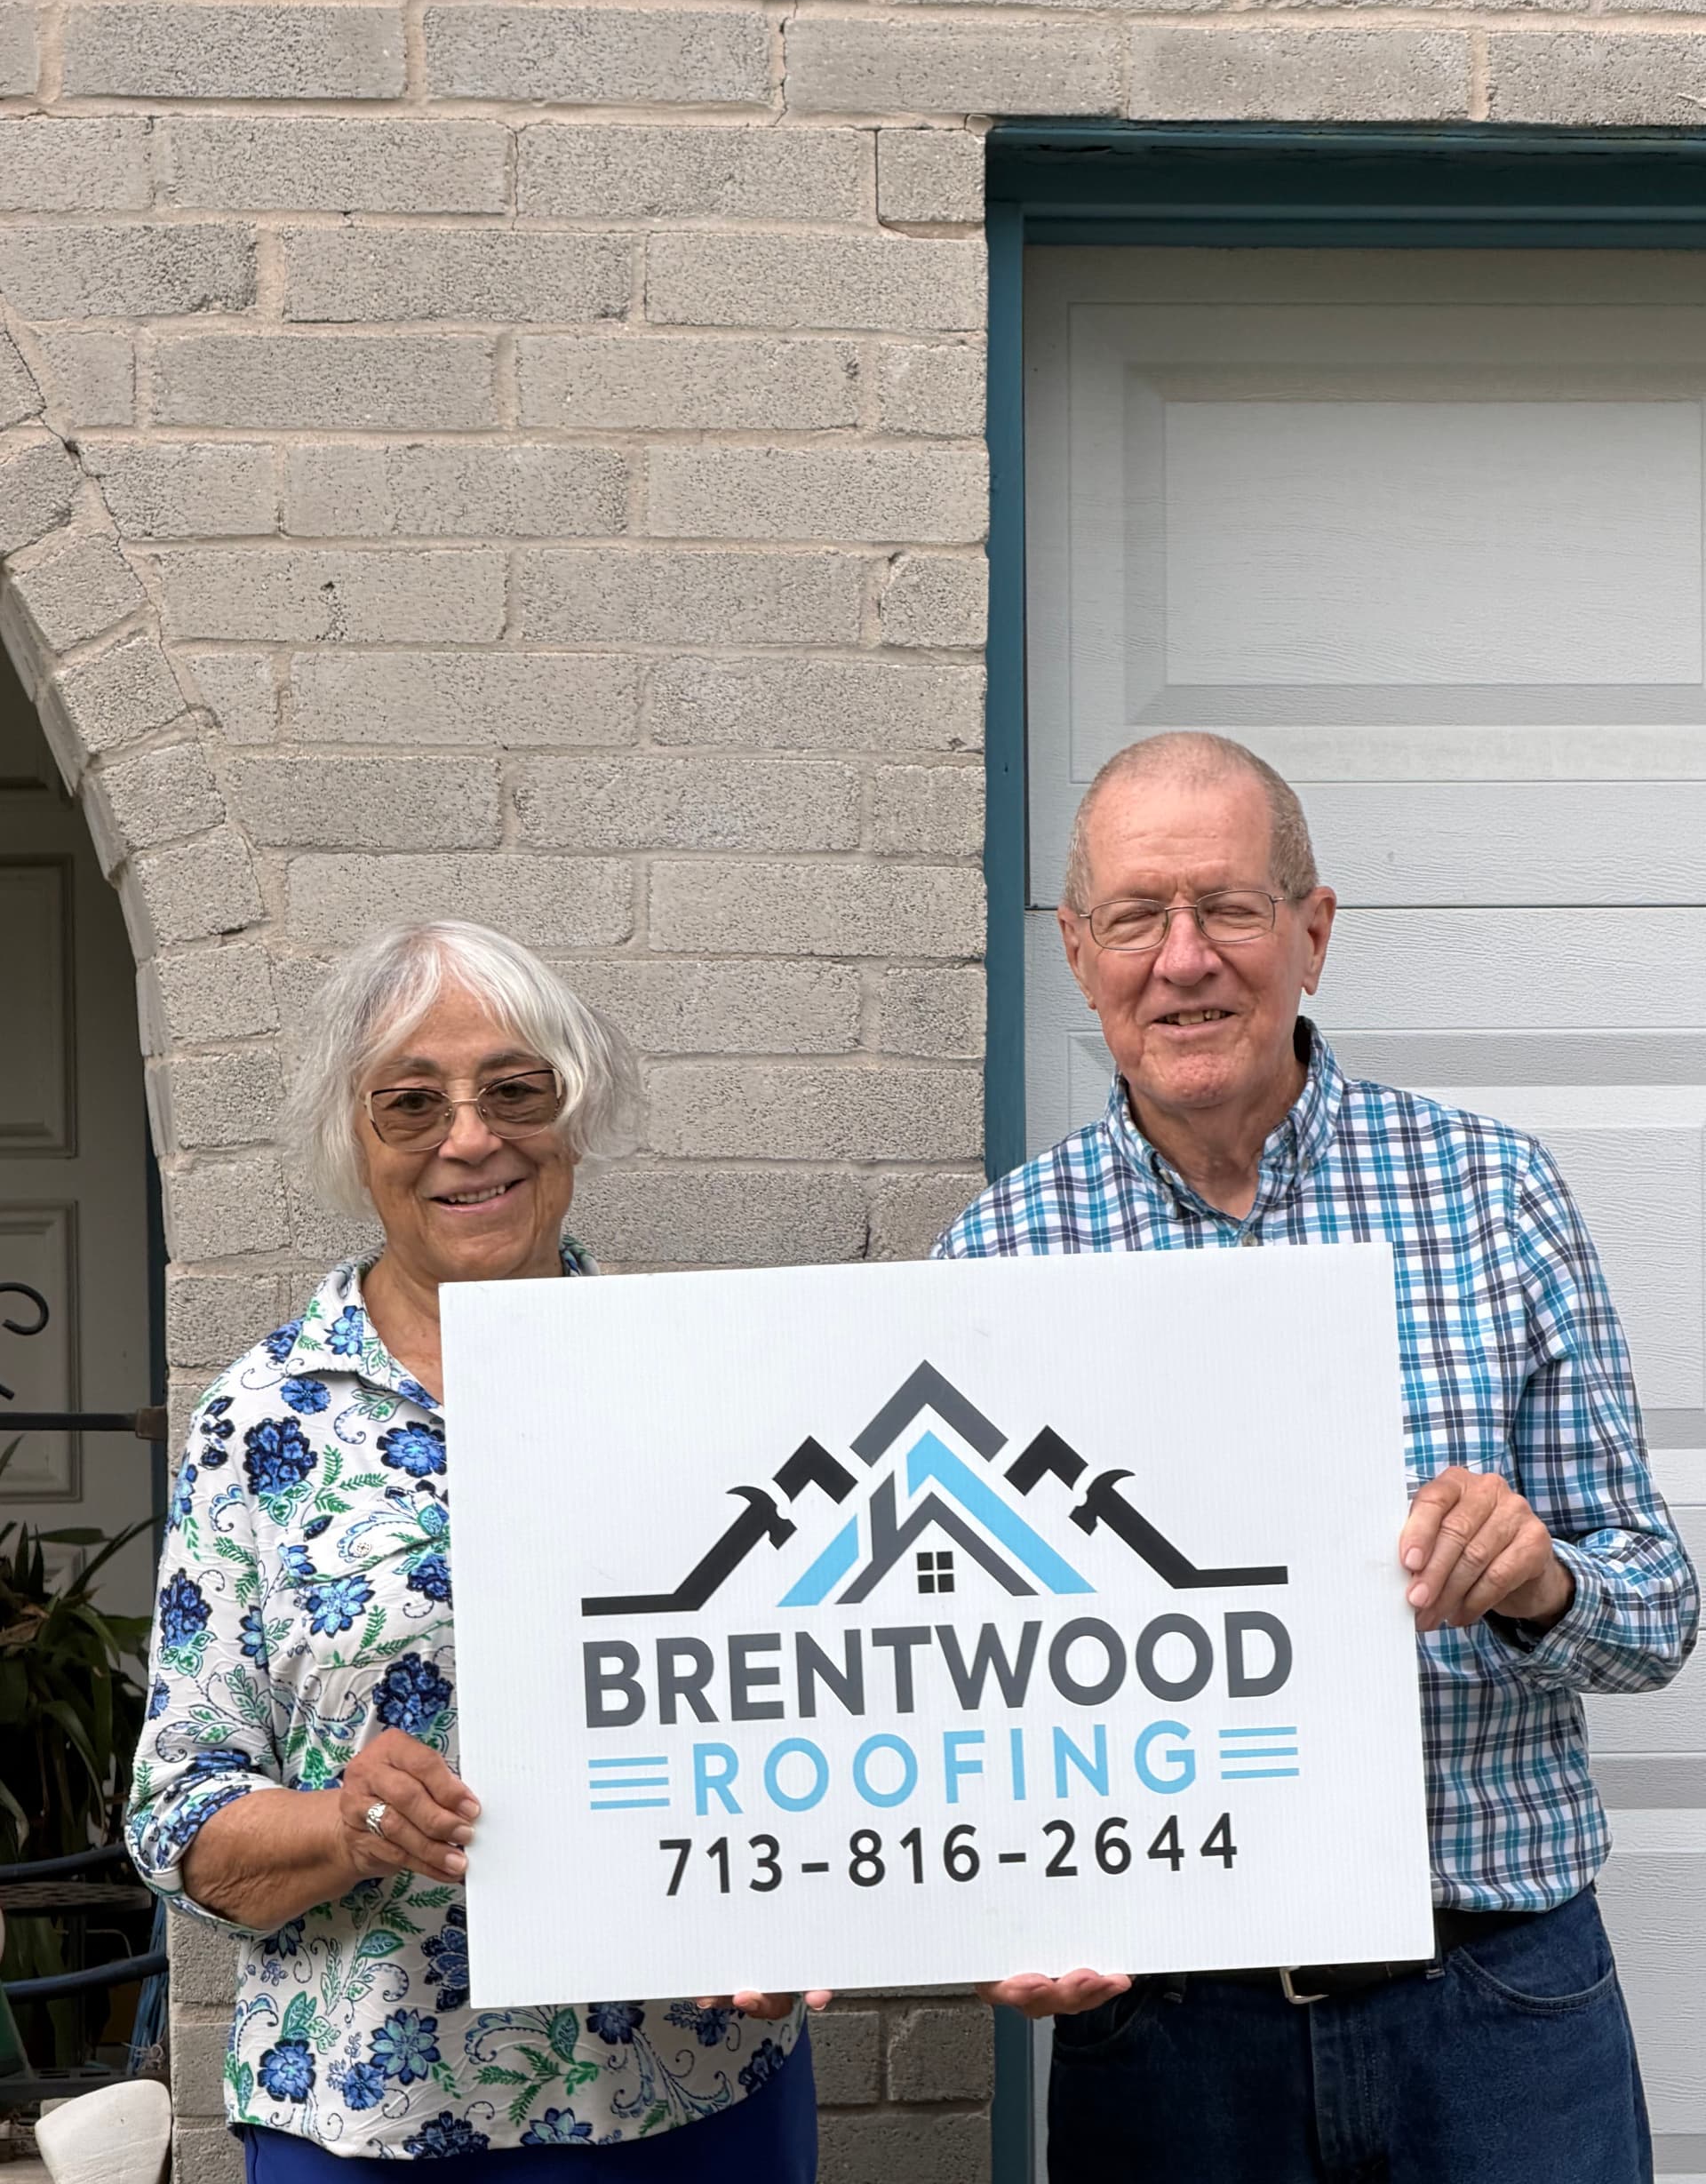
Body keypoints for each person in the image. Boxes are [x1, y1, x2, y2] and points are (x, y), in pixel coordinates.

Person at [935, 733, 1698, 2184]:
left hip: (1497, 2007)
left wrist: (1538, 1581)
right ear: (1079, 954)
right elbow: (952, 1682)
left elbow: (1656, 1611)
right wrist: (1000, 1910)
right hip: (1164, 2035)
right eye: (1136, 918)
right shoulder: (1000, 1257)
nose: (1184, 960)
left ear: (1313, 932)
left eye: (1227, 907)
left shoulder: (1494, 1195)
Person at [128, 921, 825, 2179]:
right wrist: (346, 1824)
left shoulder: (703, 1379)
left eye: (516, 1090)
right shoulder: (263, 1420)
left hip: (688, 2094)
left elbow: (821, 1714)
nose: (469, 1137)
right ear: (353, 1139)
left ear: (575, 1111)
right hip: (371, 2117)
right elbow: (180, 1817)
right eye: (411, 1104)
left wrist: (802, 1912)